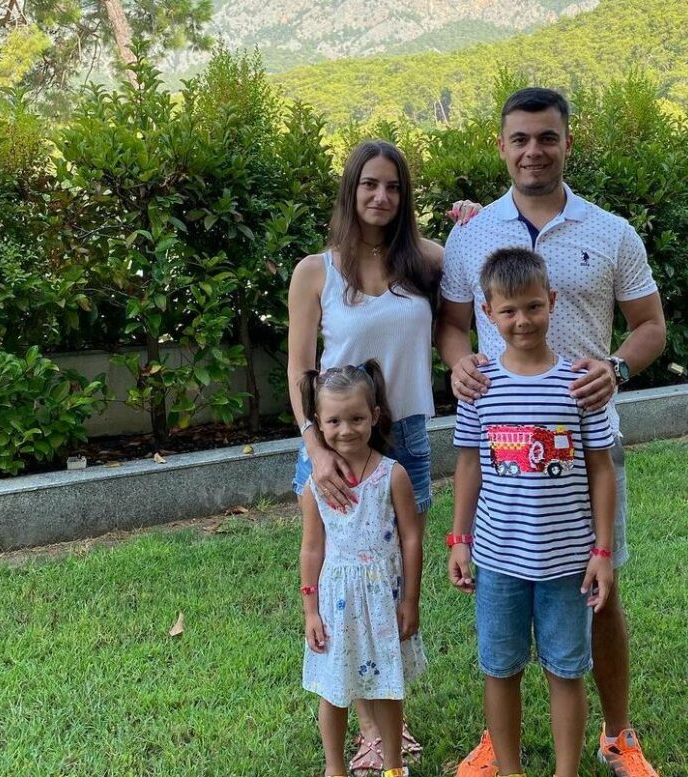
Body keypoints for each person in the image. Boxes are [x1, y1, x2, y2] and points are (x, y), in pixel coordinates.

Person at [436, 88, 667, 777]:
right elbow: (451, 324)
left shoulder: (612, 232)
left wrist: (616, 368)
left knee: (599, 588)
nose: (533, 150)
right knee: (502, 589)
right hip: (501, 449)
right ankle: (498, 742)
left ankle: (617, 733)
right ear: (501, 146)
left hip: (586, 441)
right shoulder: (472, 232)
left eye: (546, 137)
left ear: (568, 142)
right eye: (520, 139)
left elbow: (651, 325)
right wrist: (459, 364)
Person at [287, 139, 479, 773]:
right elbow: (299, 371)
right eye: (370, 184)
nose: (381, 196)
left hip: (407, 437)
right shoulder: (316, 272)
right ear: (351, 189)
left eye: (393, 186)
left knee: (390, 576)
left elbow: (488, 276)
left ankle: (385, 716)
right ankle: (372, 733)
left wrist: (477, 223)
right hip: (337, 442)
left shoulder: (426, 260)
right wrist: (315, 448)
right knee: (346, 575)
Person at [448, 248, 616, 777]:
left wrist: (602, 550)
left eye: (533, 307)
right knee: (500, 670)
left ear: (552, 301)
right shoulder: (478, 386)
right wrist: (459, 540)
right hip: (498, 561)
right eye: (508, 310)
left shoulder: (580, 384)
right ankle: (510, 769)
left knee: (566, 671)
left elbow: (602, 471)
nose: (522, 320)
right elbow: (468, 466)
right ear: (487, 312)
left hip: (568, 565)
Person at [299, 361, 426, 777]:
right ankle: (334, 768)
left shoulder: (393, 475)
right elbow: (311, 549)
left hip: (384, 602)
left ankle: (393, 766)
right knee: (334, 691)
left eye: (356, 418)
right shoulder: (316, 487)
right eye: (334, 421)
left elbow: (411, 538)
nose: (346, 430)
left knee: (388, 687)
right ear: (318, 423)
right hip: (337, 606)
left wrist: (410, 600)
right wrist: (311, 610)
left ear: (374, 415)